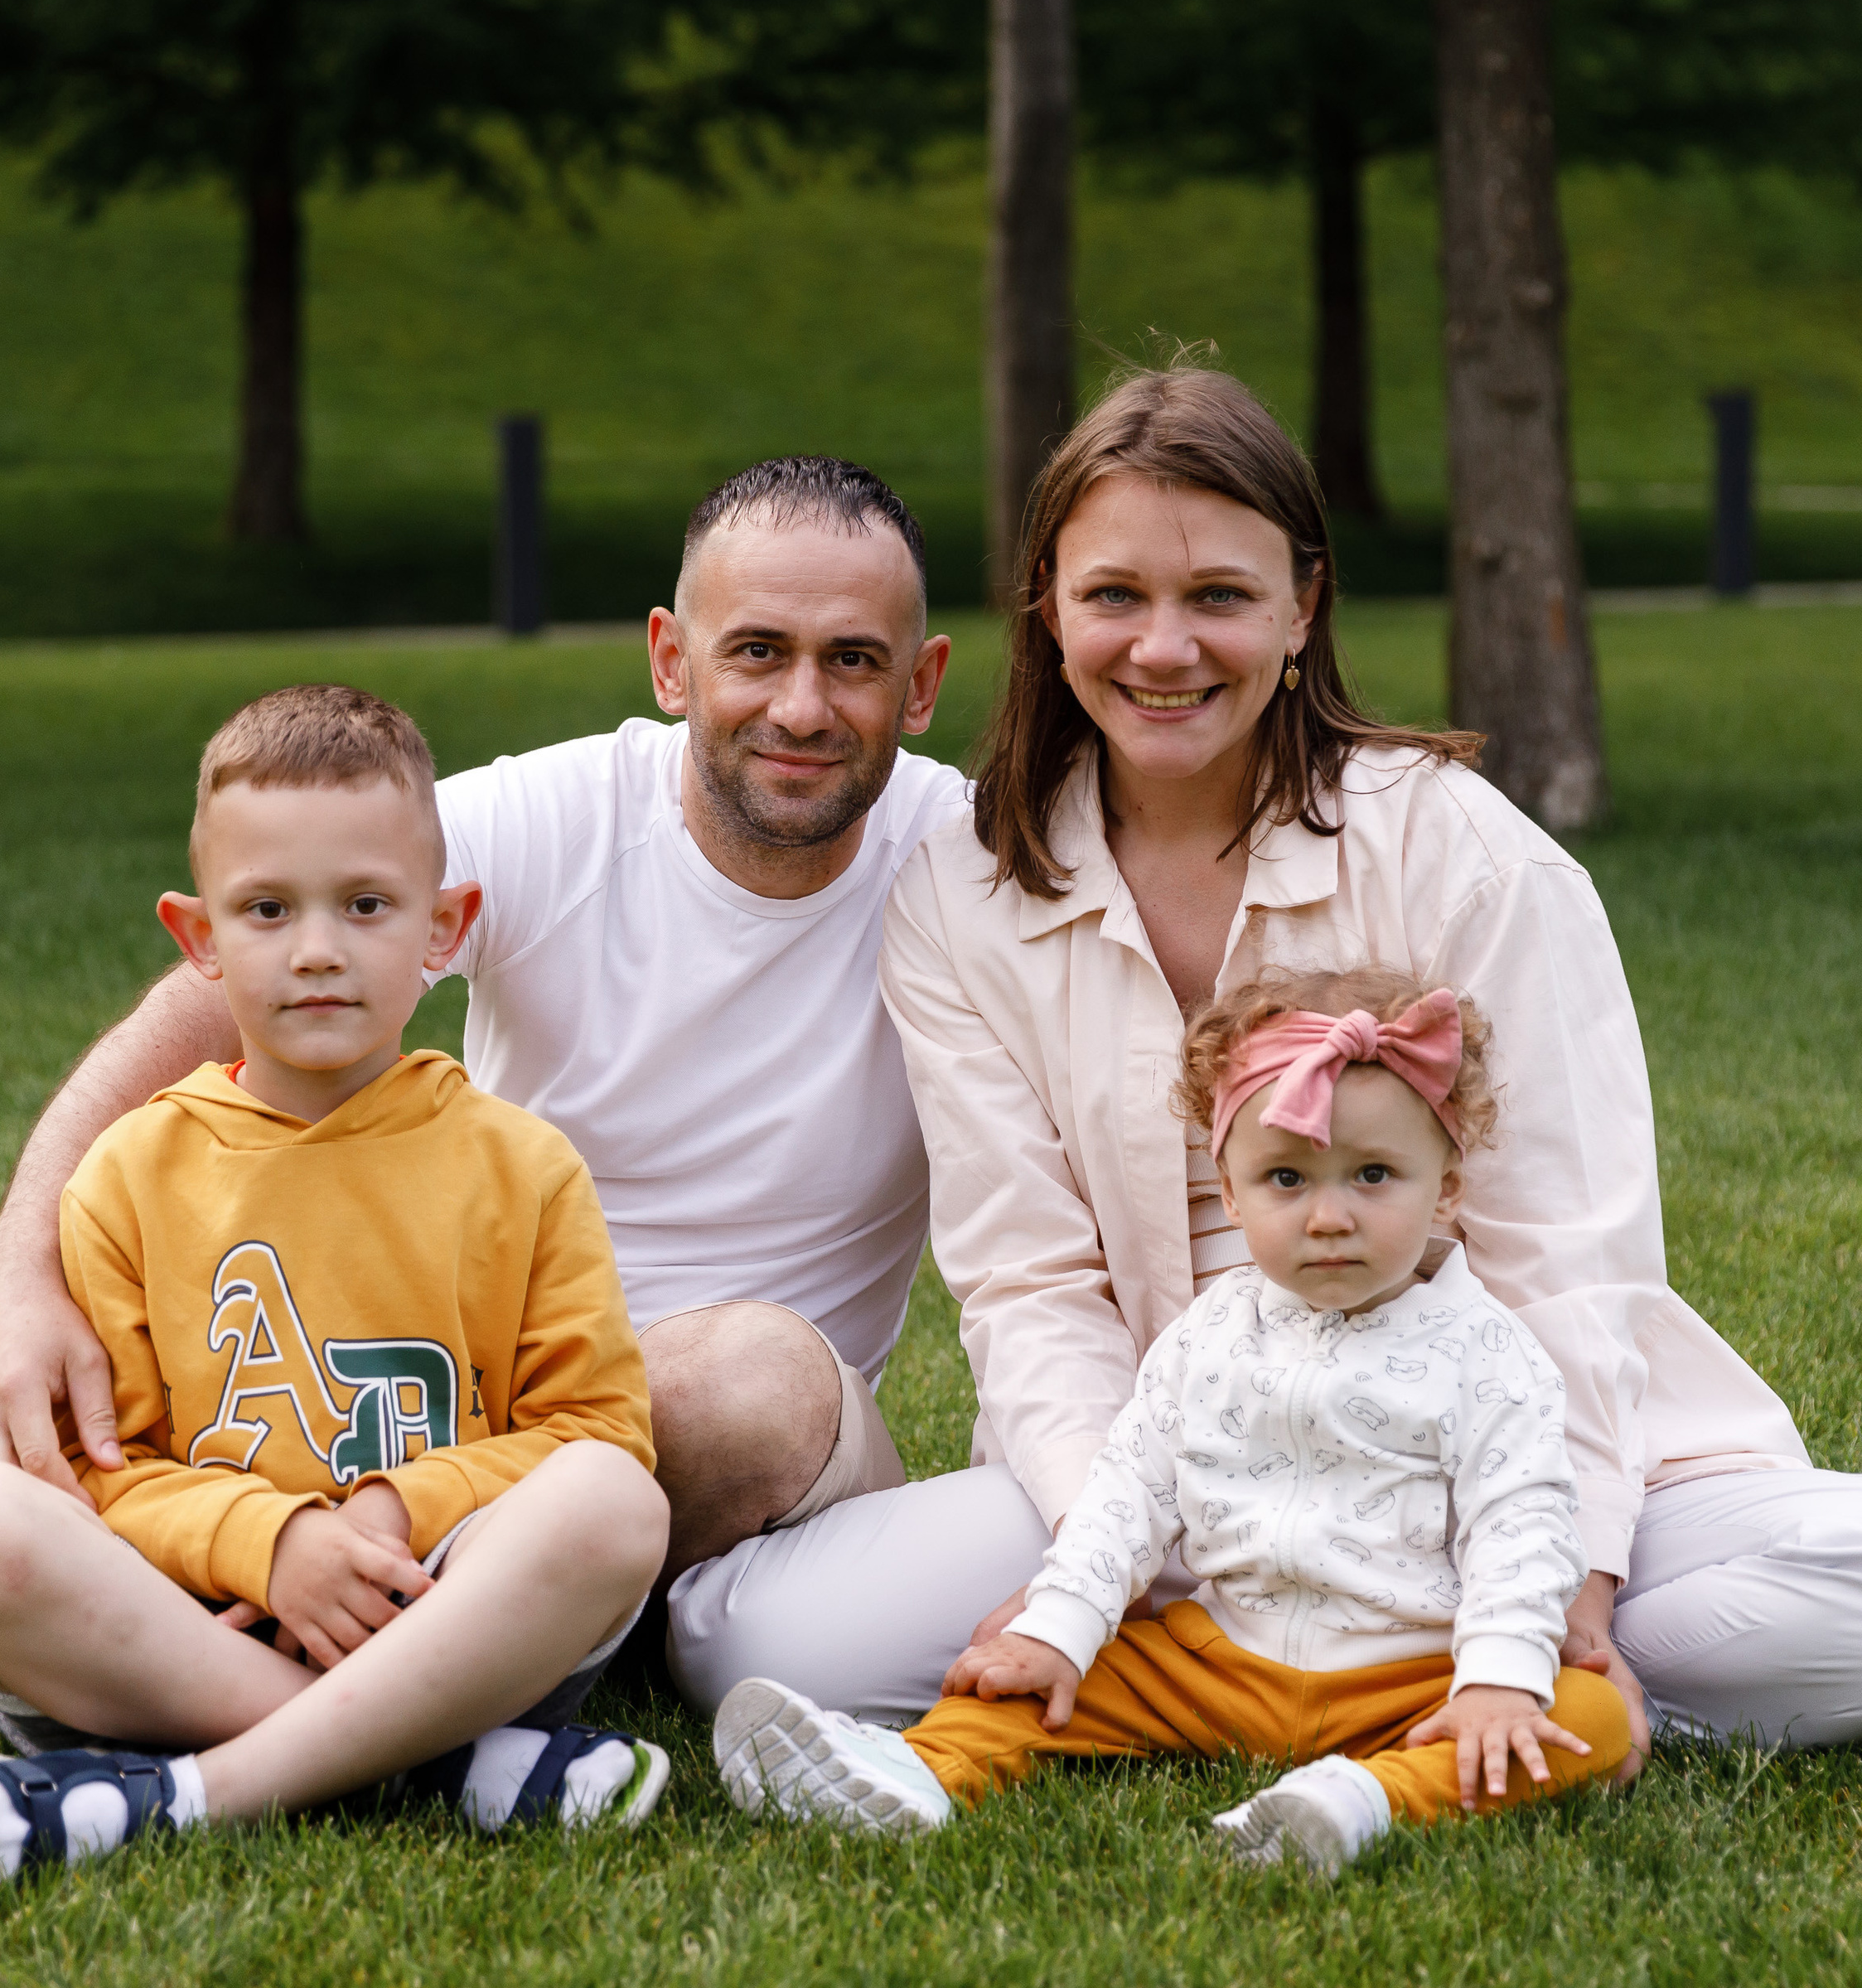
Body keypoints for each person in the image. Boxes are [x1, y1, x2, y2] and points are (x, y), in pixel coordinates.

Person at [0, 454, 1004, 1781]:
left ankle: (359, 1652)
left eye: (852, 662)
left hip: (699, 1468)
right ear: (671, 661)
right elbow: (228, 986)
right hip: (439, 1411)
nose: (801, 706)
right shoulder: (557, 816)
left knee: (742, 1382)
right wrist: (18, 1268)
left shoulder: (980, 867)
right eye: (756, 651)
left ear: (921, 685)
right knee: (42, 1263)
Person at [760, 363, 1853, 1750]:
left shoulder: (1461, 852)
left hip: (1484, 1458)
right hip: (1164, 1478)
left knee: (1830, 1591)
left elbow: (1571, 1261)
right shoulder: (959, 893)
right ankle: (1327, 1665)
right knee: (770, 1638)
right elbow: (1030, 1285)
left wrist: (1570, 1578)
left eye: (1219, 594)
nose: (1165, 648)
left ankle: (1429, 1658)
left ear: (1302, 607)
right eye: (1115, 595)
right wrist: (1101, 1563)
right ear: (1047, 606)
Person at [0, 684, 670, 1884]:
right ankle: (439, 1762)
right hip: (190, 1631)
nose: (317, 948)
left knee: (613, 1502)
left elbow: (595, 1430)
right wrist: (268, 1546)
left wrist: (388, 1515)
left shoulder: (523, 1167)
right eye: (267, 909)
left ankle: (191, 1792)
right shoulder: (129, 1172)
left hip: (433, 1611)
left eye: (366, 904)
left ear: (444, 926)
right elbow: (103, 1471)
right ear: (200, 939)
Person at [713, 970, 1633, 1873]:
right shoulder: (1210, 1336)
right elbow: (1128, 1490)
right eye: (1286, 1177)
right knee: (1032, 1671)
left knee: (1585, 1718)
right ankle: (917, 1768)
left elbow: (1521, 1524)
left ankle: (1364, 1798)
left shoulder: (1486, 1351)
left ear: (1446, 1187)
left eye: (1373, 1175)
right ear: (1230, 1193)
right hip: (1215, 1660)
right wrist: (1059, 1624)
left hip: (1409, 1673)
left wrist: (1497, 1678)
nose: (1328, 1216)